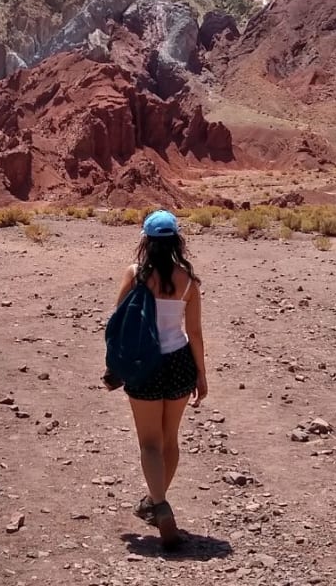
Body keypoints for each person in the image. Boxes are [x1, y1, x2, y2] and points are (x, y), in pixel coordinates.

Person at [112, 209, 208, 549]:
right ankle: (154, 502)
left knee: (149, 444)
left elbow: (120, 324)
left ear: (146, 241)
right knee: (170, 441)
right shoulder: (189, 281)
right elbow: (194, 333)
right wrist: (201, 375)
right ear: (177, 241)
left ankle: (161, 507)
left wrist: (116, 366)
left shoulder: (135, 275)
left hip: (145, 365)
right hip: (180, 362)